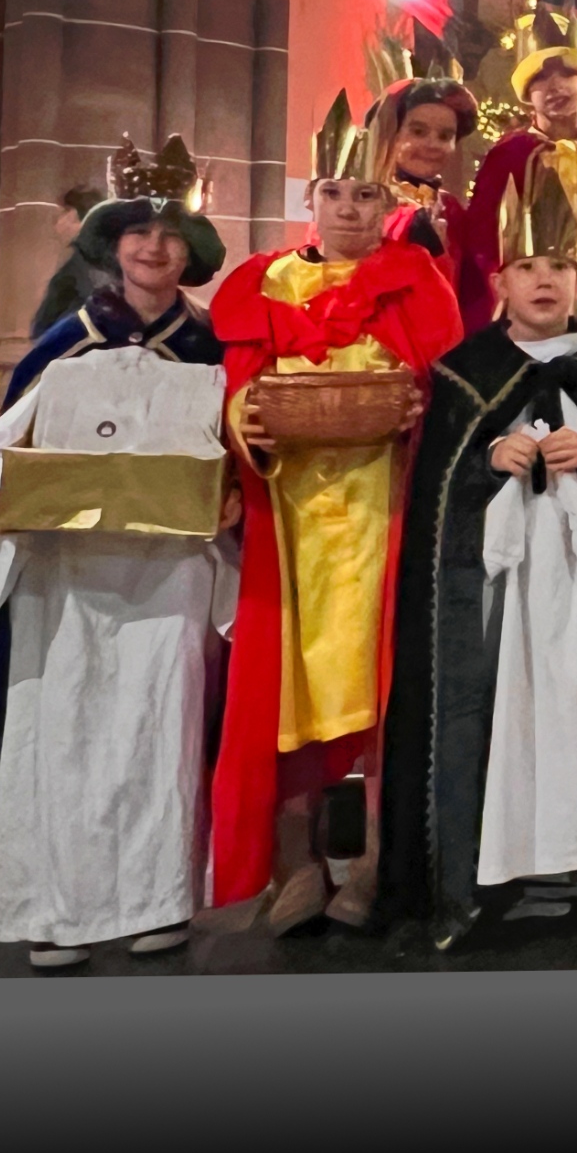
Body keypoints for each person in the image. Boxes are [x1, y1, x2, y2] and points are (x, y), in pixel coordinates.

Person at [0, 141, 236, 968]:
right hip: (64, 575)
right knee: (57, 730)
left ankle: (157, 900)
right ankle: (52, 910)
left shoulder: (211, 349)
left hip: (170, 578)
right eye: (137, 230)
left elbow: (237, 449)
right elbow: (2, 444)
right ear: (111, 243)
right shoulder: (67, 340)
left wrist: (237, 492)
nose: (154, 247)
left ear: (192, 250)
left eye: (172, 233)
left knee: (158, 731)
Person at [381, 157, 577, 950]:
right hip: (503, 595)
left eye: (561, 267)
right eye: (528, 267)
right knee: (507, 720)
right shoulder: (466, 375)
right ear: (499, 279)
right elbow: (436, 494)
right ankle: (489, 871)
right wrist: (485, 462)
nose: (545, 281)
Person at [208, 93, 463, 933]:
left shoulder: (415, 281)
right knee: (288, 688)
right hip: (292, 522)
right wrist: (247, 423)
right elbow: (238, 390)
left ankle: (378, 862)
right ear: (308, 200)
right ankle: (297, 863)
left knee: (385, 684)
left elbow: (444, 389)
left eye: (365, 197)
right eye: (334, 195)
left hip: (383, 513)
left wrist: (412, 413)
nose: (350, 211)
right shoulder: (263, 283)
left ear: (387, 206)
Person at [459, 7, 577, 340]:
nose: (554, 86)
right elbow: (483, 239)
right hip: (521, 318)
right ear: (528, 94)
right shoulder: (506, 157)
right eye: (541, 79)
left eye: (565, 74)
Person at [366, 64, 479, 301]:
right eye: (418, 131)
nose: (432, 145)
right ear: (389, 134)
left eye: (445, 136)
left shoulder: (452, 210)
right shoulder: (359, 201)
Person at [28, 182, 111, 339]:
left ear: (74, 216)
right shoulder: (99, 257)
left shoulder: (86, 262)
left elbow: (44, 326)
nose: (57, 223)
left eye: (62, 213)